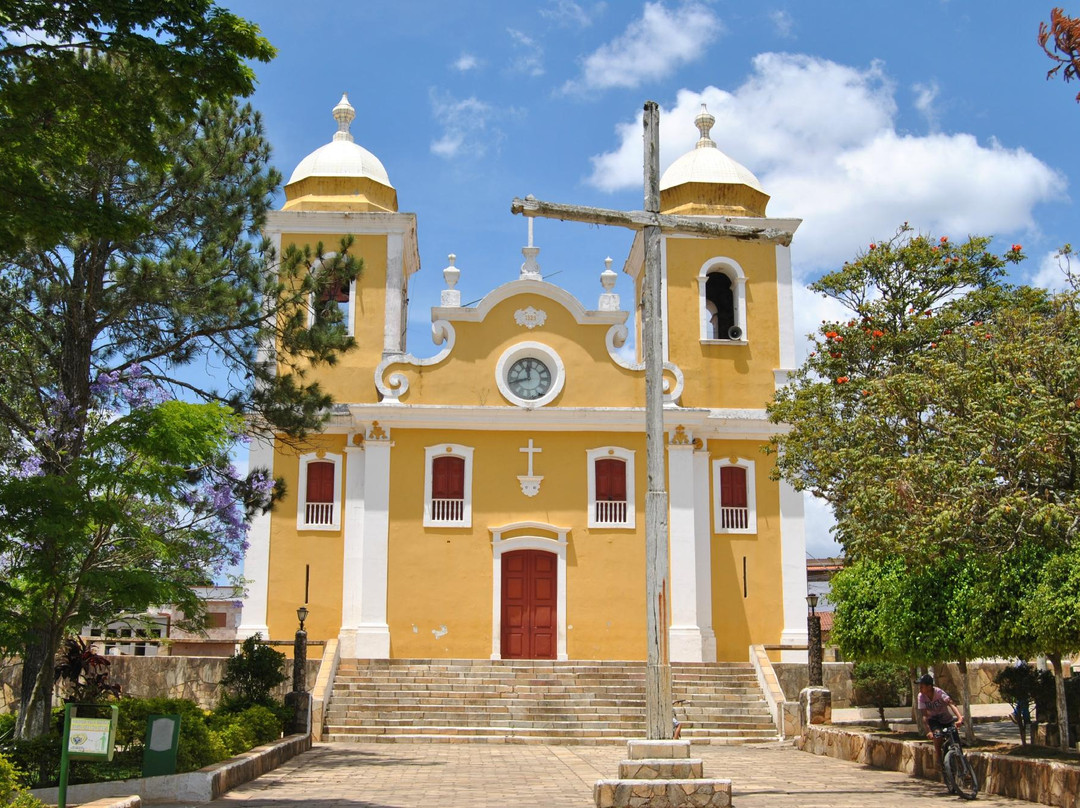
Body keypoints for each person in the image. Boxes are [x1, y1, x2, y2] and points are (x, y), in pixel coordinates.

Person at [917, 673, 964, 767]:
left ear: (929, 687)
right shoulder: (921, 696)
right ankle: (939, 758)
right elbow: (925, 716)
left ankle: (963, 767)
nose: (920, 688)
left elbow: (951, 704)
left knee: (956, 742)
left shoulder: (939, 692)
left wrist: (959, 718)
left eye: (922, 686)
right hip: (934, 720)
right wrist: (929, 731)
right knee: (937, 734)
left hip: (947, 719)